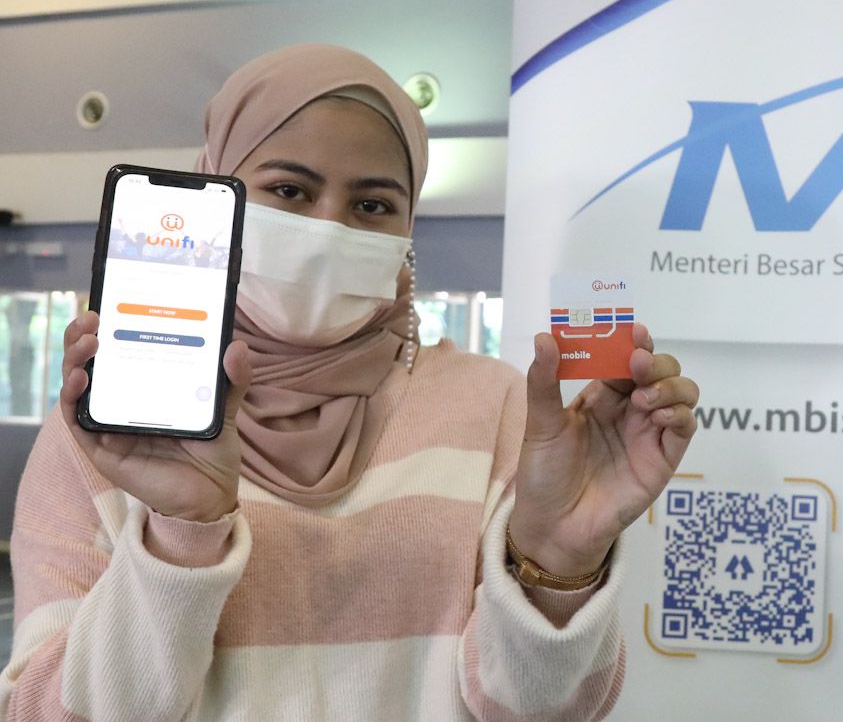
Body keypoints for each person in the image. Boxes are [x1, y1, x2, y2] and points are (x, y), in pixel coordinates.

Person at [0, 44, 700, 721]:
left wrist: (561, 561)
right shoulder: (107, 433)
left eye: (372, 205)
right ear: (217, 187)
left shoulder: (498, 409)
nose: (328, 227)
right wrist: (179, 538)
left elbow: (540, 713)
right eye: (289, 190)